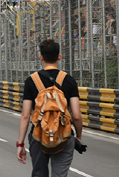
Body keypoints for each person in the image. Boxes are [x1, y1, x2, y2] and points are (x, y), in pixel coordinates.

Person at [17, 38, 82, 177]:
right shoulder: (69, 80)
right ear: (59, 57)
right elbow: (76, 115)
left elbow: (25, 116)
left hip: (39, 135)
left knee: (39, 173)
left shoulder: (31, 81)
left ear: (41, 57)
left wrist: (20, 144)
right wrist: (78, 135)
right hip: (64, 134)